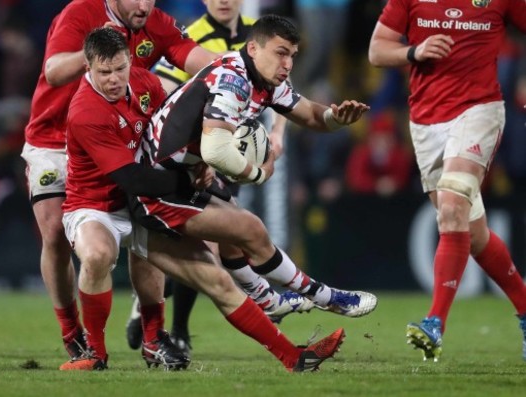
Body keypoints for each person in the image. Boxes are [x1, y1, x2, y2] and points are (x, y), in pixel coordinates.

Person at [62, 26, 346, 372]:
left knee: (218, 281)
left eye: (119, 68)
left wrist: (202, 160)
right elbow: (131, 177)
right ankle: (95, 353)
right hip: (98, 204)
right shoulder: (85, 112)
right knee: (97, 254)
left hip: (148, 202)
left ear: (129, 60)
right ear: (88, 68)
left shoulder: (143, 83)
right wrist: (189, 176)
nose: (113, 79)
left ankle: (294, 358)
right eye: (104, 72)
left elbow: (174, 125)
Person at [131, 15, 376, 336]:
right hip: (155, 184)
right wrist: (259, 173)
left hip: (182, 176)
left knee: (234, 238)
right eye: (280, 53)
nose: (287, 63)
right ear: (253, 49)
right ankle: (326, 297)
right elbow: (217, 151)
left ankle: (266, 300)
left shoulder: (265, 78)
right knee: (249, 227)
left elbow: (309, 114)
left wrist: (334, 118)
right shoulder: (234, 79)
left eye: (292, 55)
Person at [21, 0, 219, 365]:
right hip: (53, 141)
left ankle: (153, 336)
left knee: (148, 224)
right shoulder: (80, 13)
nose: (144, 5)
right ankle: (72, 333)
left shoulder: (155, 22)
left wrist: (242, 73)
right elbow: (52, 72)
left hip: (119, 140)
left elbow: (197, 58)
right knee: (54, 235)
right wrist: (97, 50)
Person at [125, 0, 313, 354]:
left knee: (217, 241)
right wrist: (197, 147)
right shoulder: (192, 36)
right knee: (207, 243)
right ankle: (169, 324)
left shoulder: (261, 32)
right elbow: (166, 89)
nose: (223, 0)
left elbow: (284, 91)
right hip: (194, 152)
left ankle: (163, 317)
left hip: (233, 148)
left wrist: (277, 135)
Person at [369, 0, 526, 362]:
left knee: (453, 203)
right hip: (426, 123)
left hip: (480, 110)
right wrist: (415, 51)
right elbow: (377, 50)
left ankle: (434, 322)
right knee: (472, 233)